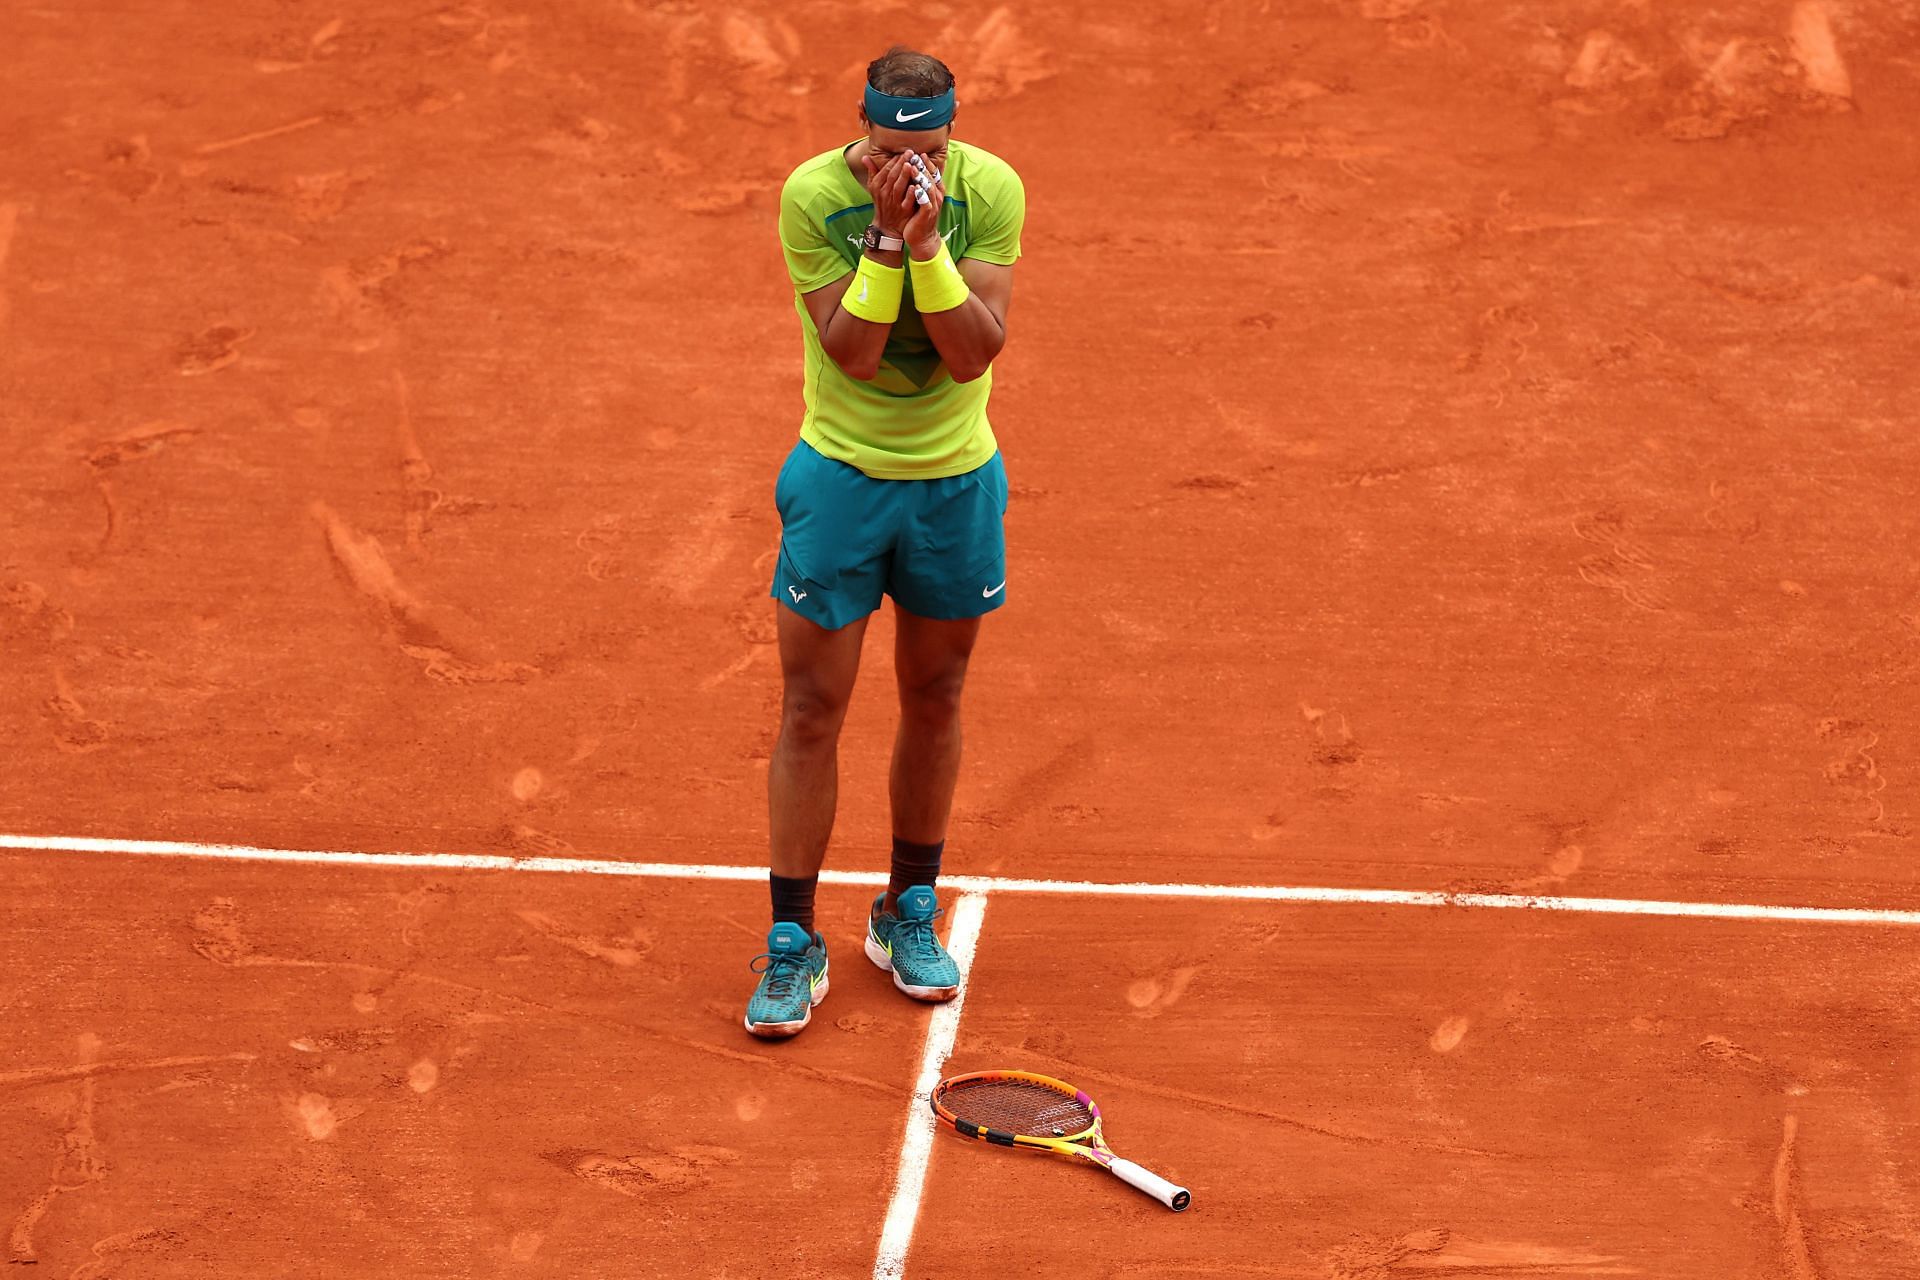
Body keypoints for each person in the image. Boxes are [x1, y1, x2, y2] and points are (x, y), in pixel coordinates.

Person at [744, 46, 1025, 1038]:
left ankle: (907, 906)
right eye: (887, 151)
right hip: (842, 481)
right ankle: (791, 939)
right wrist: (886, 243)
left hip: (953, 485)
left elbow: (970, 354)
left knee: (936, 692)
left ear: (952, 137)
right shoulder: (810, 197)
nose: (913, 171)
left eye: (933, 151)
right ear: (860, 136)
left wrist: (929, 241)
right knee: (812, 705)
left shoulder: (990, 192)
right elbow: (855, 354)